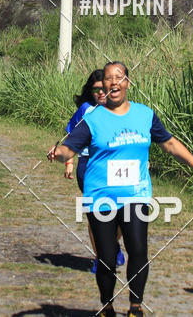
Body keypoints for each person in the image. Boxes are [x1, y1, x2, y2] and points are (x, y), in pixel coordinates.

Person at [48, 61, 193, 317]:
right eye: (109, 78)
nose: (114, 82)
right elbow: (68, 148)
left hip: (136, 195)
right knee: (106, 257)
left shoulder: (145, 115)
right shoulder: (93, 119)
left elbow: (169, 143)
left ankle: (135, 307)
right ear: (103, 86)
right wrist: (59, 154)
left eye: (119, 77)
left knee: (138, 250)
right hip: (101, 198)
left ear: (128, 83)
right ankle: (107, 305)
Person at [61, 69, 124, 274]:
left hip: (116, 165)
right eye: (95, 89)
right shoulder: (86, 110)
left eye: (103, 88)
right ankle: (101, 259)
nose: (100, 93)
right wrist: (69, 162)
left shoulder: (122, 110)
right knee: (95, 214)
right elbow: (71, 137)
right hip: (88, 164)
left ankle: (112, 246)